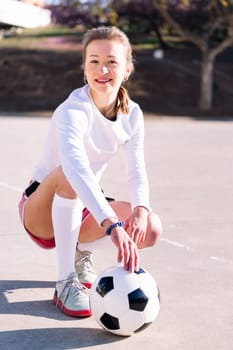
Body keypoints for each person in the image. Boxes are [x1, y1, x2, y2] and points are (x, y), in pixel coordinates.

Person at [18, 26, 162, 318]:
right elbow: (76, 168)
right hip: (40, 210)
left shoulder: (132, 113)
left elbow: (137, 170)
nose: (102, 69)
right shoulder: (72, 110)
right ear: (84, 68)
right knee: (70, 175)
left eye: (112, 61)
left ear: (127, 68)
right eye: (94, 60)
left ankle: (78, 250)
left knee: (151, 228)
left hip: (83, 207)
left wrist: (141, 210)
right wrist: (111, 225)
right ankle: (64, 282)